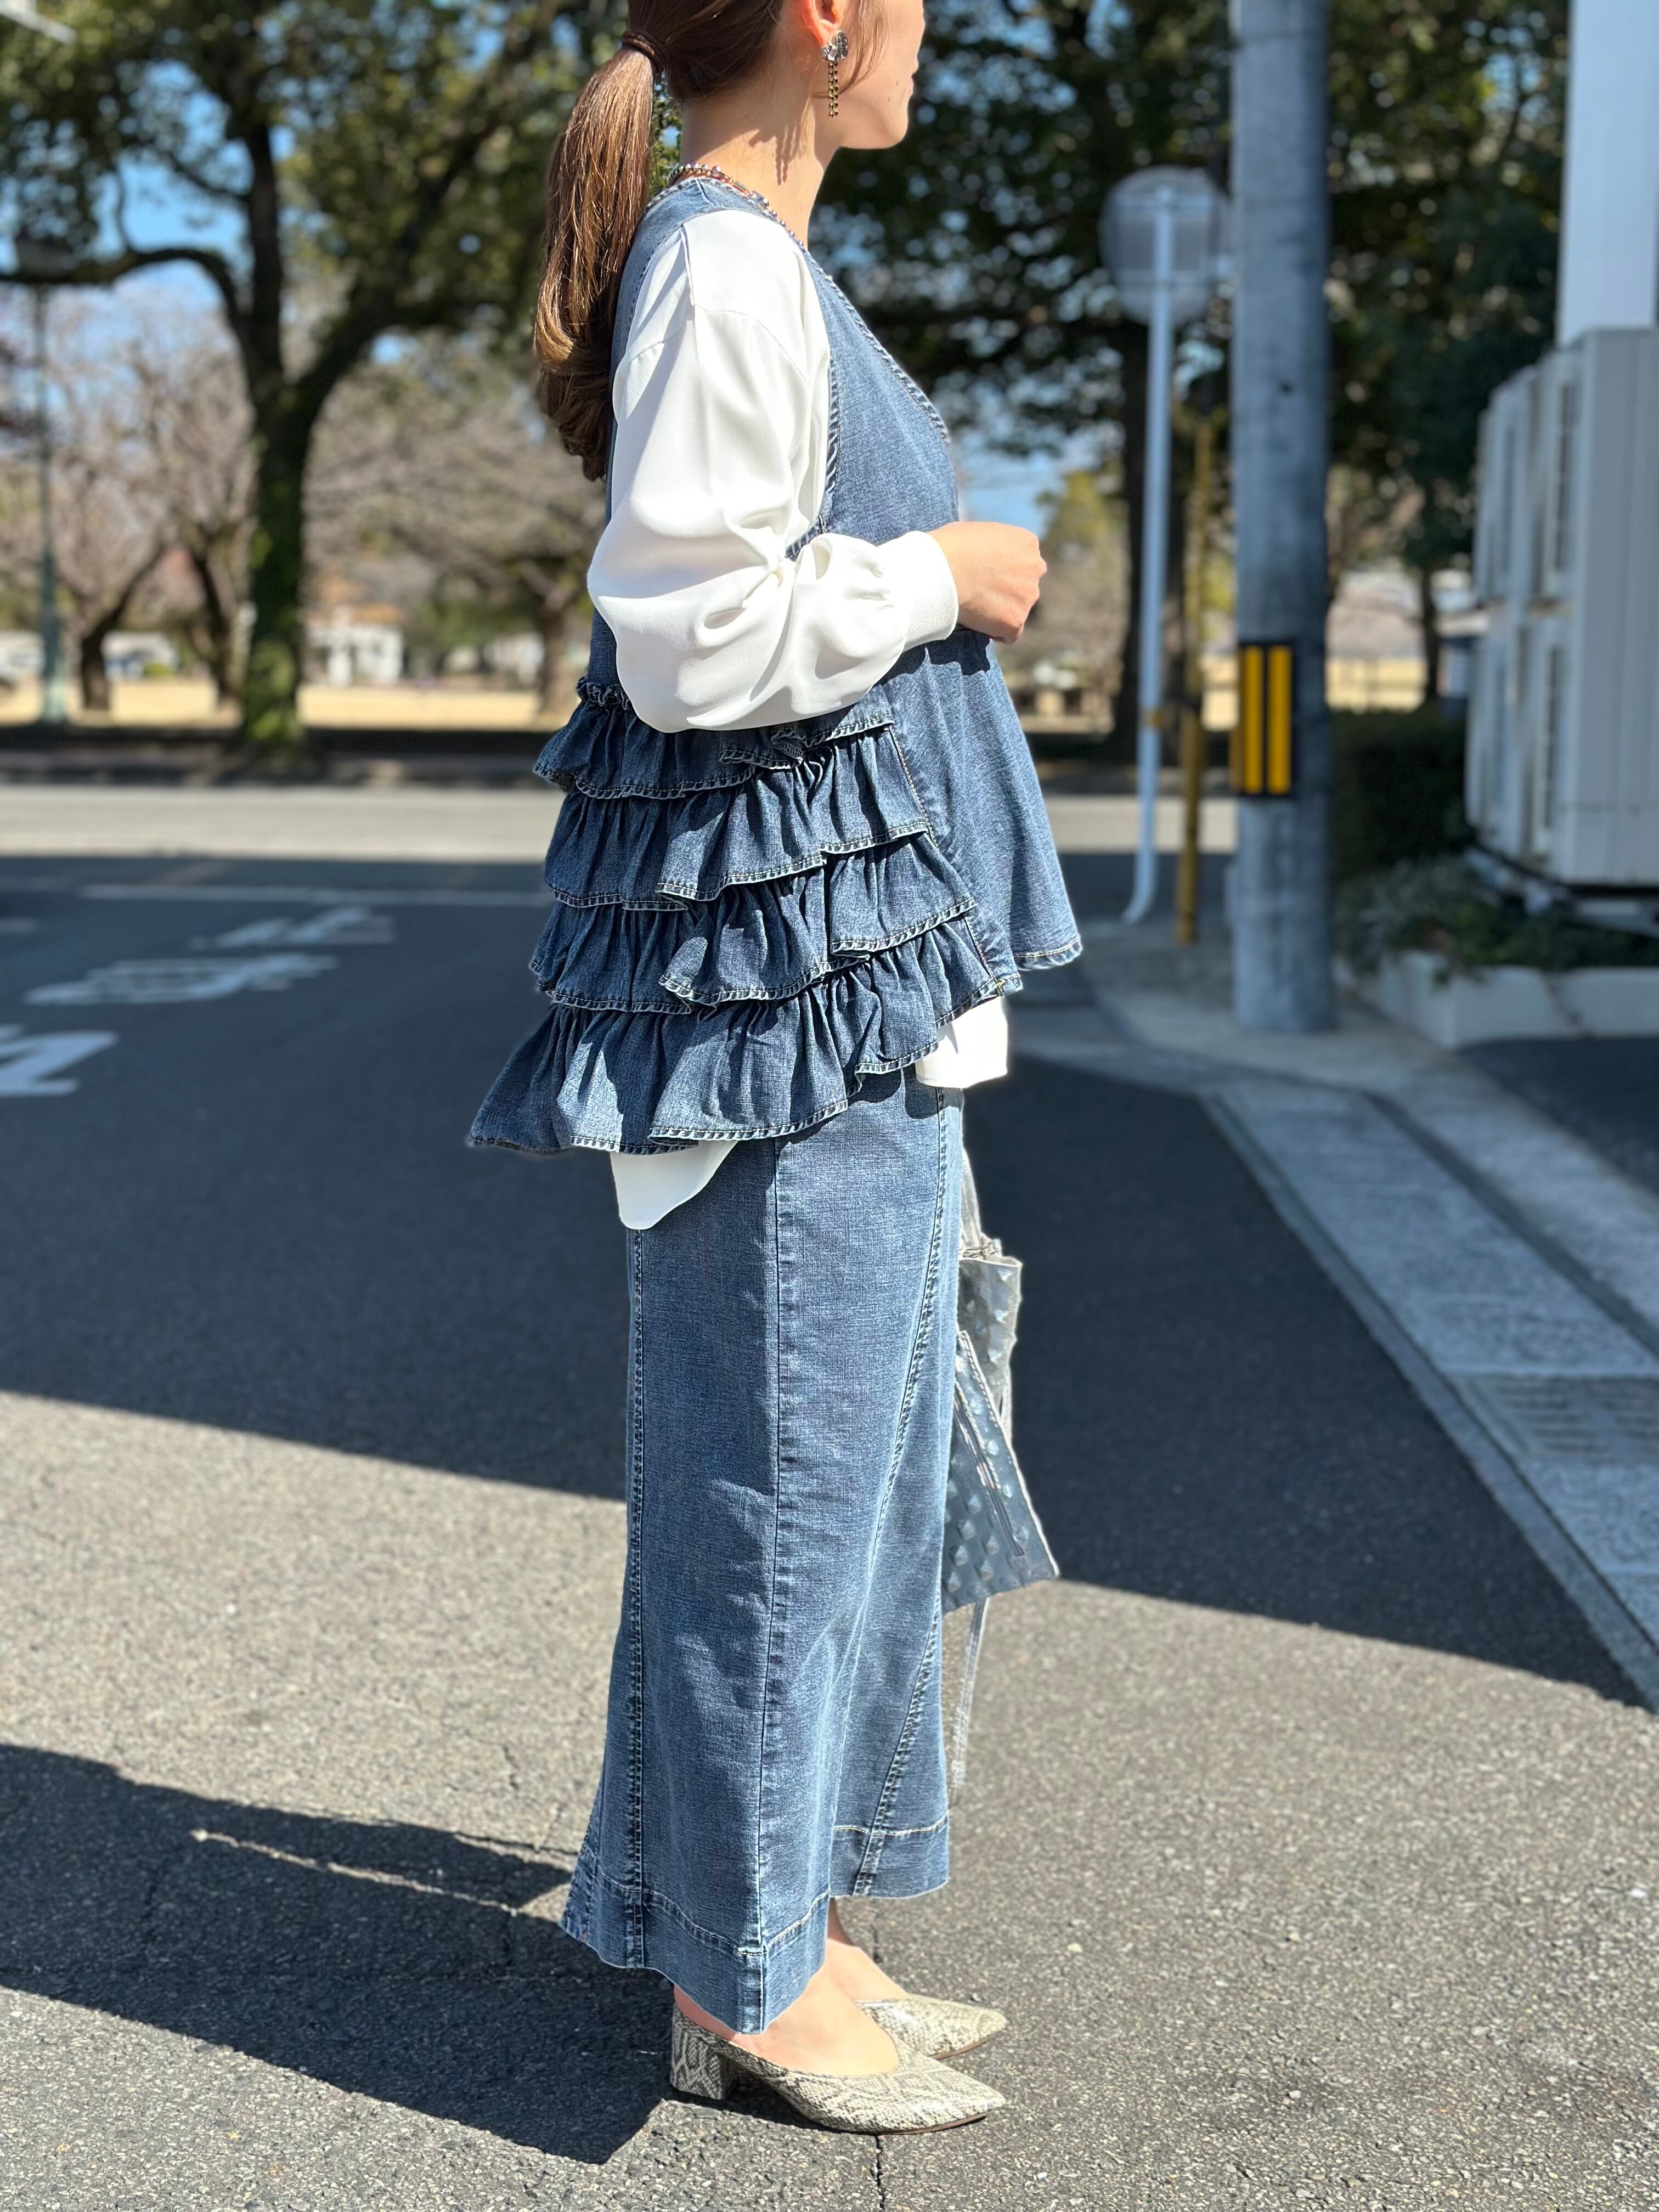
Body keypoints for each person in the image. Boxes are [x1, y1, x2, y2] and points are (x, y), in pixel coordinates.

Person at [471, 0, 1080, 2134]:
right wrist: (942, 574)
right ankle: (751, 1980)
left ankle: (771, 1920)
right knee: (785, 1499)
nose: (928, 39)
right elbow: (688, 631)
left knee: (845, 1489)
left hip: (831, 984)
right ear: (824, 21)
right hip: (782, 1013)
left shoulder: (752, 261)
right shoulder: (725, 267)